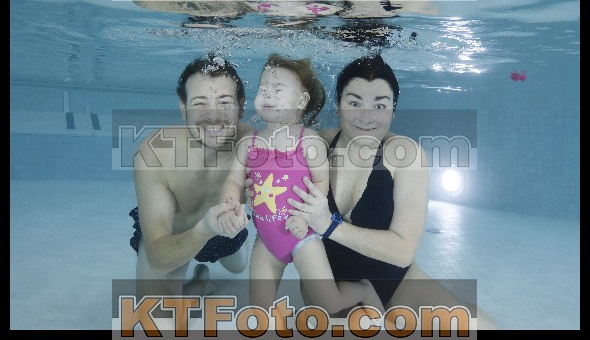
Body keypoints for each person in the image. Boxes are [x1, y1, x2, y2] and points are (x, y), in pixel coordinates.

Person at [286, 54, 500, 330]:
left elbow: (402, 251)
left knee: (480, 328)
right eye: (354, 103)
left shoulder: (405, 155)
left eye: (380, 105)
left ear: (393, 110)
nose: (367, 117)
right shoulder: (316, 144)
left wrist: (329, 226)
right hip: (331, 288)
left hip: (395, 284)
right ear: (338, 105)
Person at [217, 53, 385, 319]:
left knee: (331, 304)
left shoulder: (310, 142)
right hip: (266, 240)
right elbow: (233, 180)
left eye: (277, 90)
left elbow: (321, 184)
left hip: (304, 236)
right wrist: (228, 204)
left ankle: (363, 290)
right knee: (259, 311)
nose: (267, 94)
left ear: (301, 101)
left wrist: (304, 217)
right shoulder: (248, 143)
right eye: (263, 88)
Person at [130, 54, 253, 298]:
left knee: (238, 267)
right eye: (199, 103)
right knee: (154, 314)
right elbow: (158, 257)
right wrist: (204, 229)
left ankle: (215, 264)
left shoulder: (257, 147)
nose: (213, 115)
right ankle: (199, 285)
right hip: (173, 237)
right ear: (183, 109)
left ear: (241, 106)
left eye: (225, 102)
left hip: (224, 231)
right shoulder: (156, 154)